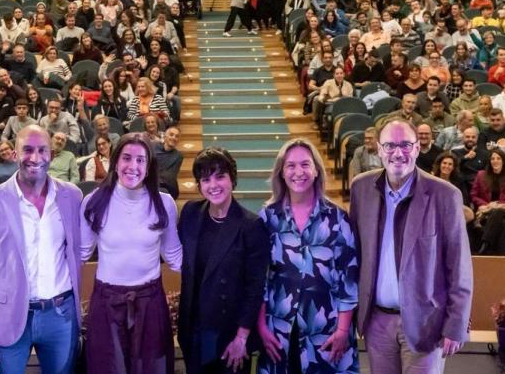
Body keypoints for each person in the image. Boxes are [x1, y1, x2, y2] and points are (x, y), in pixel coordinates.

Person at [348, 120, 473, 373]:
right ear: (379, 150)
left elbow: (459, 266)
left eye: (405, 144)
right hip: (377, 322)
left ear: (417, 148)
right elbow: (355, 254)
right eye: (390, 145)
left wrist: (456, 323)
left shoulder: (445, 195)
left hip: (426, 323)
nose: (398, 152)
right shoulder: (361, 189)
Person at [0, 126, 84, 373]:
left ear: (52, 154)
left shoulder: (72, 196)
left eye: (42, 150)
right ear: (15, 154)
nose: (35, 158)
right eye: (28, 150)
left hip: (61, 316)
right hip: (6, 318)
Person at [81, 133, 182, 374]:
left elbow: (175, 257)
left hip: (150, 301)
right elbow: (80, 254)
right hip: (106, 303)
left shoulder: (164, 203)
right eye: (126, 158)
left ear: (148, 167)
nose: (133, 166)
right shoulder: (94, 202)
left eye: (141, 160)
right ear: (115, 162)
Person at [256, 139, 357, 374]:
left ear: (316, 171)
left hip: (328, 330)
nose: (298, 172)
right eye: (290, 166)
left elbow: (349, 278)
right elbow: (260, 278)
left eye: (305, 164)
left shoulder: (338, 218)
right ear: (281, 172)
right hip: (278, 329)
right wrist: (261, 326)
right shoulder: (267, 218)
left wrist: (343, 330)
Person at [178, 148, 270, 374]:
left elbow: (254, 288)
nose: (213, 185)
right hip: (194, 330)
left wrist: (242, 337)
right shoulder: (190, 213)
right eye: (206, 179)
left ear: (233, 179)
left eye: (220, 176)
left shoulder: (251, 225)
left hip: (230, 336)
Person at [471, 149, 505, 255]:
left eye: (498, 158)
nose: (495, 161)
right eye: (492, 158)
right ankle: (502, 256)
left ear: (503, 161)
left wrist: (494, 206)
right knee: (502, 224)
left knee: (498, 212)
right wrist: (486, 205)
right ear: (489, 161)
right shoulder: (481, 175)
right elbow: (474, 195)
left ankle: (485, 243)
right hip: (486, 212)